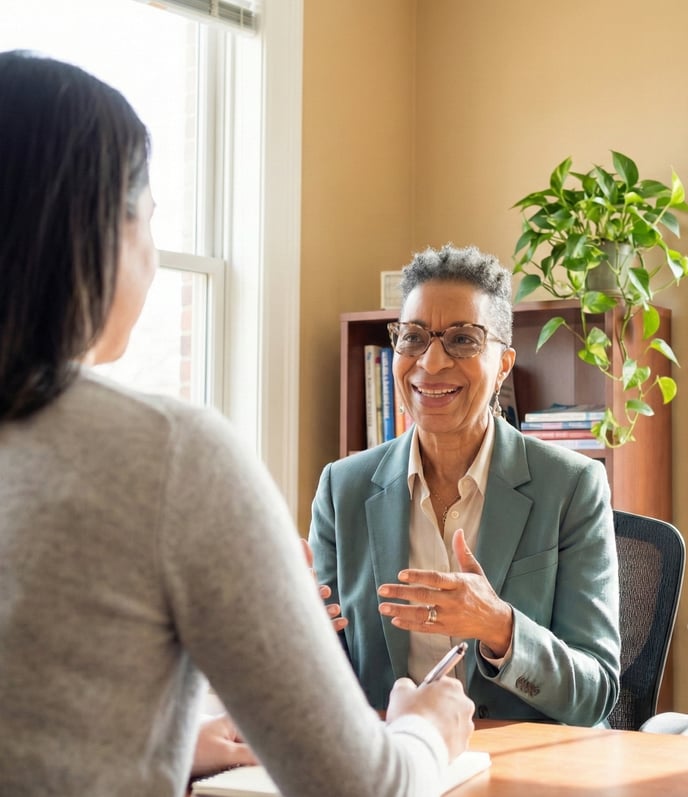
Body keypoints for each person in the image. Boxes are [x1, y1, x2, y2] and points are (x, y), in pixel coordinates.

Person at [0, 51, 475, 797]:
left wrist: (171, 745)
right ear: (96, 231)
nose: (154, 260)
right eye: (149, 220)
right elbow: (360, 785)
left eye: (463, 339)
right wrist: (429, 726)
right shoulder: (173, 456)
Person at [309, 243, 621, 725]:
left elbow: (596, 691)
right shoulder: (342, 488)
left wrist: (500, 628)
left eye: (463, 339)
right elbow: (322, 675)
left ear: (503, 364)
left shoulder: (572, 486)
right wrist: (293, 634)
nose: (431, 363)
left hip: (521, 768)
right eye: (413, 337)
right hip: (394, 763)